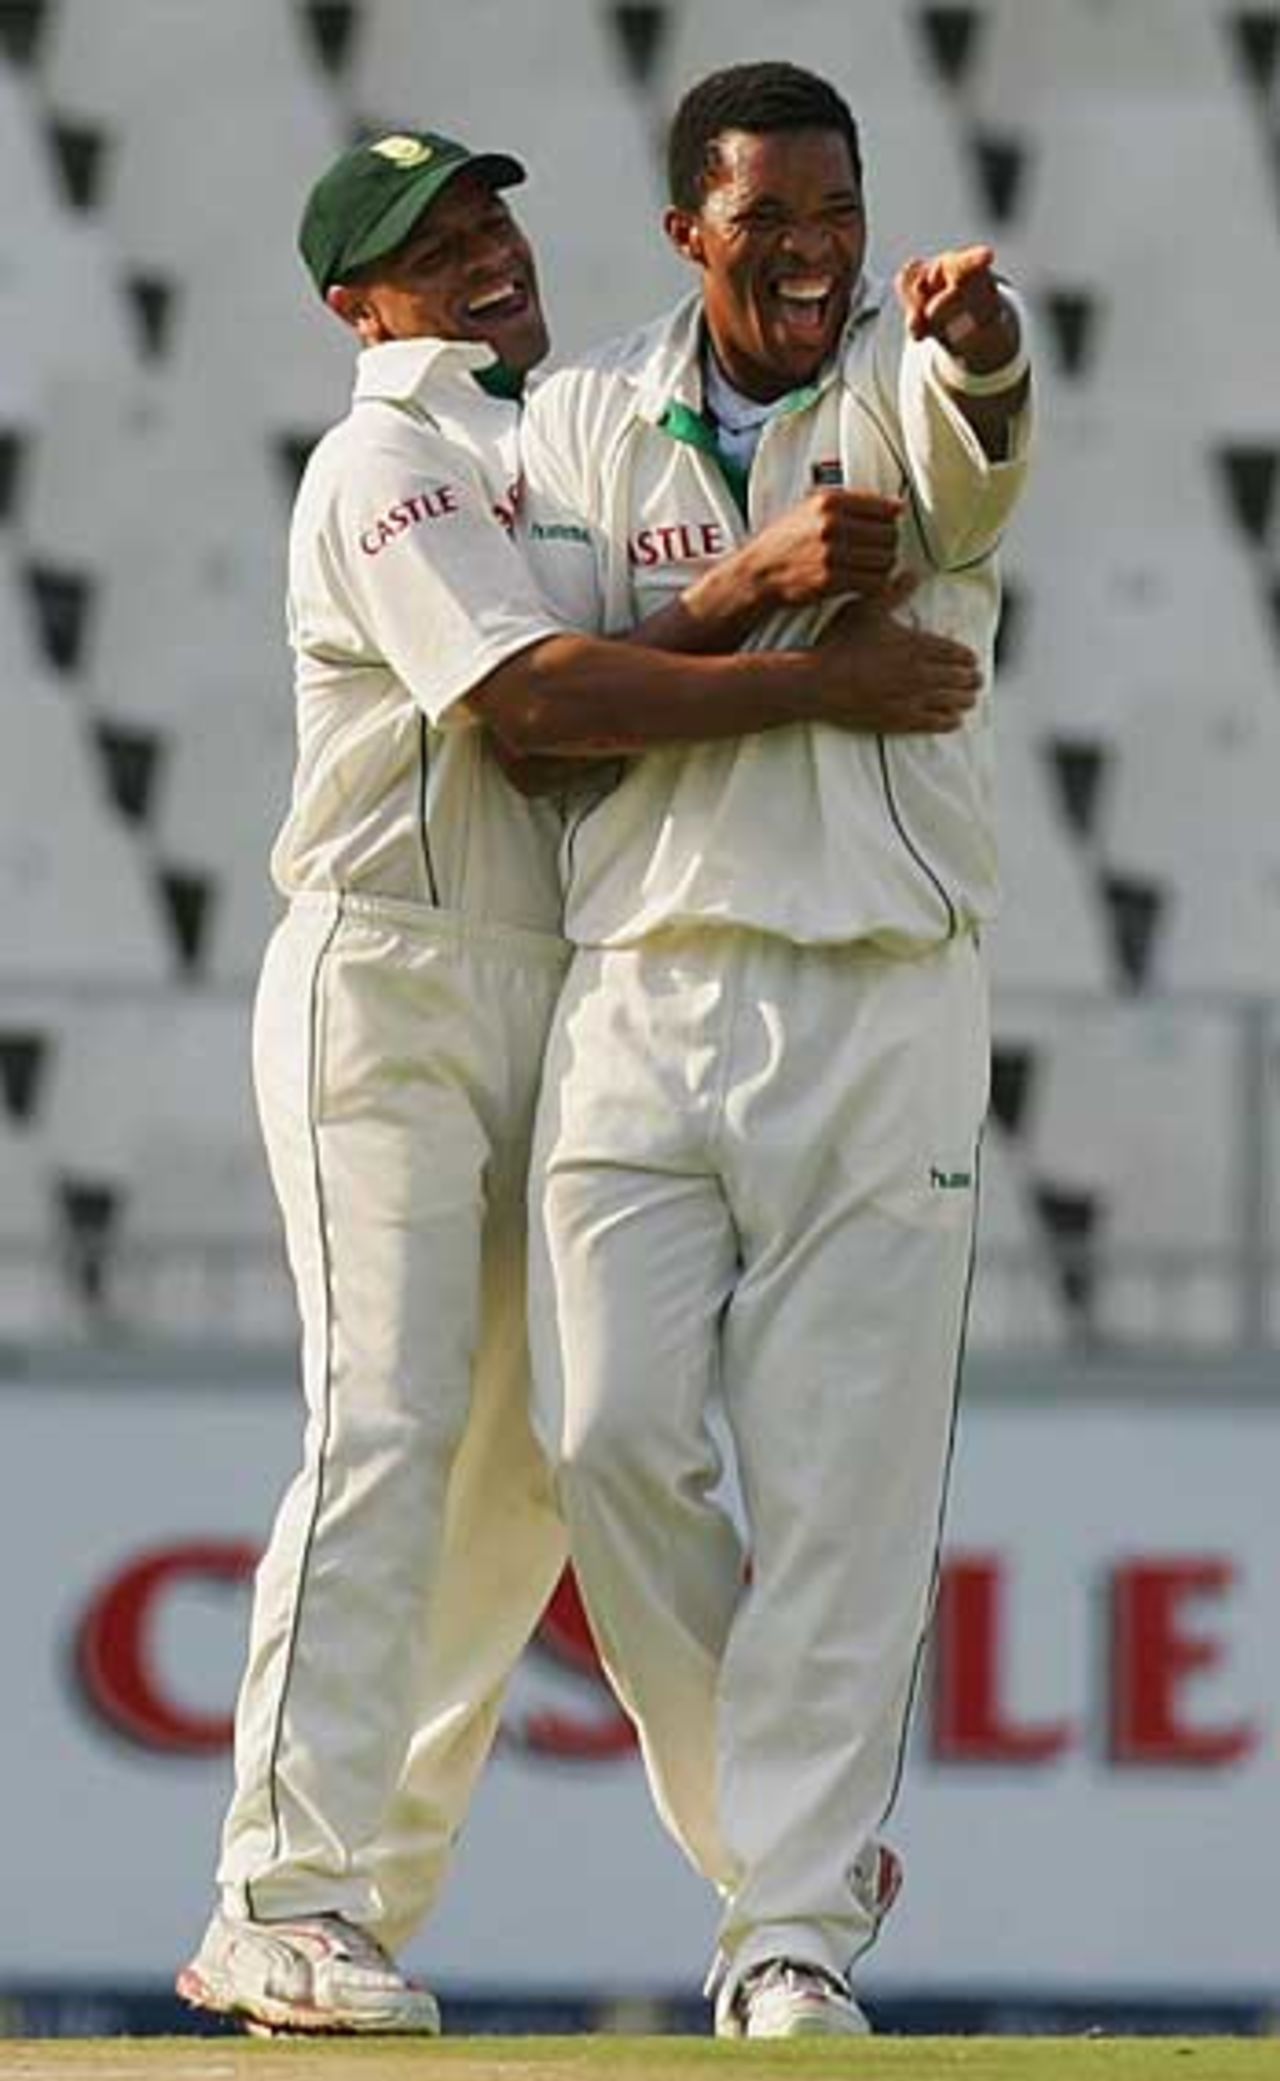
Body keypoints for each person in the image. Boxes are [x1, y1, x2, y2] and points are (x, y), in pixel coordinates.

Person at [175, 124, 983, 2038]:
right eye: (430, 249)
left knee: (539, 1462)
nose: (484, 261)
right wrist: (812, 671)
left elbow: (623, 643)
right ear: (350, 307)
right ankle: (271, 1893)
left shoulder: (542, 446)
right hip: (384, 974)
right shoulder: (385, 459)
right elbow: (535, 709)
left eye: (490, 222)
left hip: (554, 985)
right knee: (382, 1424)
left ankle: (429, 1891)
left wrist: (754, 586)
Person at [519, 60, 1035, 2040]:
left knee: (844, 1492)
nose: (814, 258)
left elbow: (974, 455)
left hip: (880, 990)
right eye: (770, 228)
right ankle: (783, 1848)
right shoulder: (579, 419)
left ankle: (788, 1943)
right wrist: (763, 622)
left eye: (839, 218)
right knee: (602, 1442)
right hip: (635, 986)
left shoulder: (897, 375)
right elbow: (540, 715)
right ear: (688, 235)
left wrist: (976, 349)